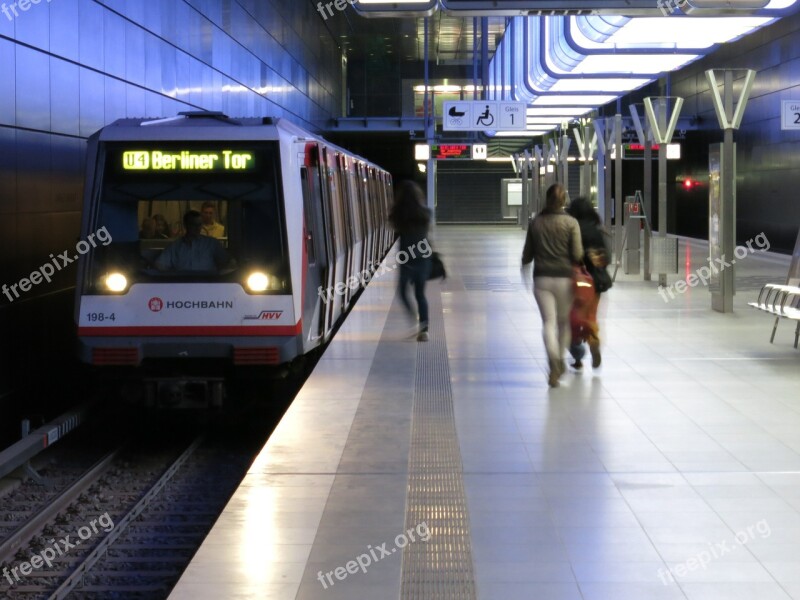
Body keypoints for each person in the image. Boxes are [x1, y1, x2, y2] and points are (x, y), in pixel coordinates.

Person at [521, 183, 583, 388]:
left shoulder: (536, 222)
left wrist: (525, 270)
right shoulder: (571, 223)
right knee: (563, 323)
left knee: (548, 322)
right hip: (565, 278)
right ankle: (559, 360)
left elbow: (527, 255)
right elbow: (577, 254)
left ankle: (553, 361)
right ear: (564, 200)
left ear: (546, 199)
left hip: (542, 279)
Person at [567, 197, 610, 370]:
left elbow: (571, 255)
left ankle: (577, 356)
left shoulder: (573, 230)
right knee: (590, 316)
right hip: (598, 281)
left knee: (574, 318)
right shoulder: (598, 231)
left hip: (578, 281)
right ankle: (593, 340)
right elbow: (606, 258)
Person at [389, 180, 432, 342]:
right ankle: (424, 330)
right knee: (420, 294)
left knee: (402, 292)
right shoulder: (426, 213)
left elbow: (394, 229)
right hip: (423, 258)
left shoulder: (398, 215)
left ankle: (414, 319)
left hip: (406, 259)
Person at [155, 210, 232, 271]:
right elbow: (160, 265)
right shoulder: (174, 247)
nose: (197, 227)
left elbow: (227, 263)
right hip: (182, 285)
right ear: (186, 225)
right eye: (193, 224)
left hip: (208, 284)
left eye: (199, 224)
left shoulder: (212, 244)